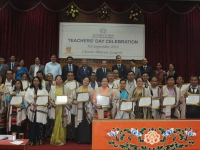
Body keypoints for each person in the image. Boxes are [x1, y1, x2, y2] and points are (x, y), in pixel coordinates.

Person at [49, 75, 72, 146]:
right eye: (57, 79)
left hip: (63, 108)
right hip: (55, 108)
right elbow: (49, 97)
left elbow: (70, 97)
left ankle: (61, 139)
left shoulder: (66, 88)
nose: (58, 80)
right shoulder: (53, 88)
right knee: (55, 123)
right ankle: (55, 138)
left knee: (62, 123)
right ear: (55, 80)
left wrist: (65, 102)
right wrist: (52, 102)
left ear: (62, 80)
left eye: (60, 79)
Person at [25, 76, 48, 146]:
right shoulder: (29, 89)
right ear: (32, 81)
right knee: (32, 125)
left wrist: (44, 103)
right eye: (34, 81)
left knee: (39, 125)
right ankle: (32, 140)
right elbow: (26, 98)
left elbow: (46, 97)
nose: (36, 82)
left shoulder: (43, 89)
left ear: (39, 82)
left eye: (37, 81)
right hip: (32, 109)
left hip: (40, 109)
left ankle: (39, 140)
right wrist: (32, 103)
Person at [74, 77, 93, 144]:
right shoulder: (78, 89)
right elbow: (74, 99)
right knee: (80, 123)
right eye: (85, 80)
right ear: (82, 81)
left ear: (89, 82)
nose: (86, 81)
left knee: (87, 122)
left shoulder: (91, 90)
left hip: (87, 108)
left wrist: (90, 97)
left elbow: (93, 100)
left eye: (87, 81)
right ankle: (80, 139)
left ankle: (87, 139)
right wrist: (75, 101)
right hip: (80, 107)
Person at [64, 71, 79, 141]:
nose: (70, 77)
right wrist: (70, 101)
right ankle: (67, 135)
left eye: (71, 75)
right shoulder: (64, 84)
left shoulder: (77, 84)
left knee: (74, 120)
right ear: (67, 76)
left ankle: (73, 135)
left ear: (74, 76)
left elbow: (79, 93)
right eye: (68, 75)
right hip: (67, 104)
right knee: (67, 120)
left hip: (75, 104)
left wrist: (77, 100)